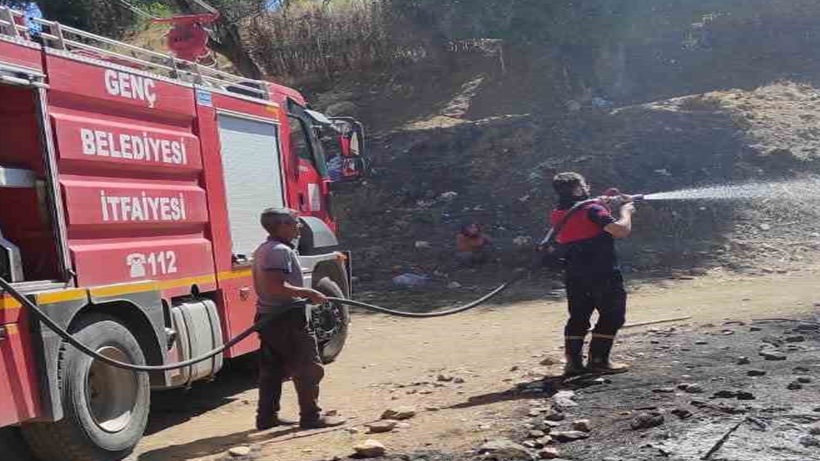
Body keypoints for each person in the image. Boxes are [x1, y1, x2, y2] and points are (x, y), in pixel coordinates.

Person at [252, 208, 345, 430]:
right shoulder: (279, 251)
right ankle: (311, 417)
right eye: (296, 222)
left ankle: (266, 418)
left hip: (270, 318)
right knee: (309, 368)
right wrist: (309, 293)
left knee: (272, 371)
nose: (300, 226)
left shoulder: (266, 248)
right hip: (286, 319)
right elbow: (276, 286)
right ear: (282, 225)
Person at [550, 172, 636, 376]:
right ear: (578, 189)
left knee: (578, 316)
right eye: (583, 185)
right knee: (613, 315)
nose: (587, 187)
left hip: (574, 274)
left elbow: (583, 220)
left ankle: (572, 364)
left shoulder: (558, 213)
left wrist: (603, 202)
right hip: (602, 271)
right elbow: (620, 230)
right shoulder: (592, 209)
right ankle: (598, 361)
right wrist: (627, 211)